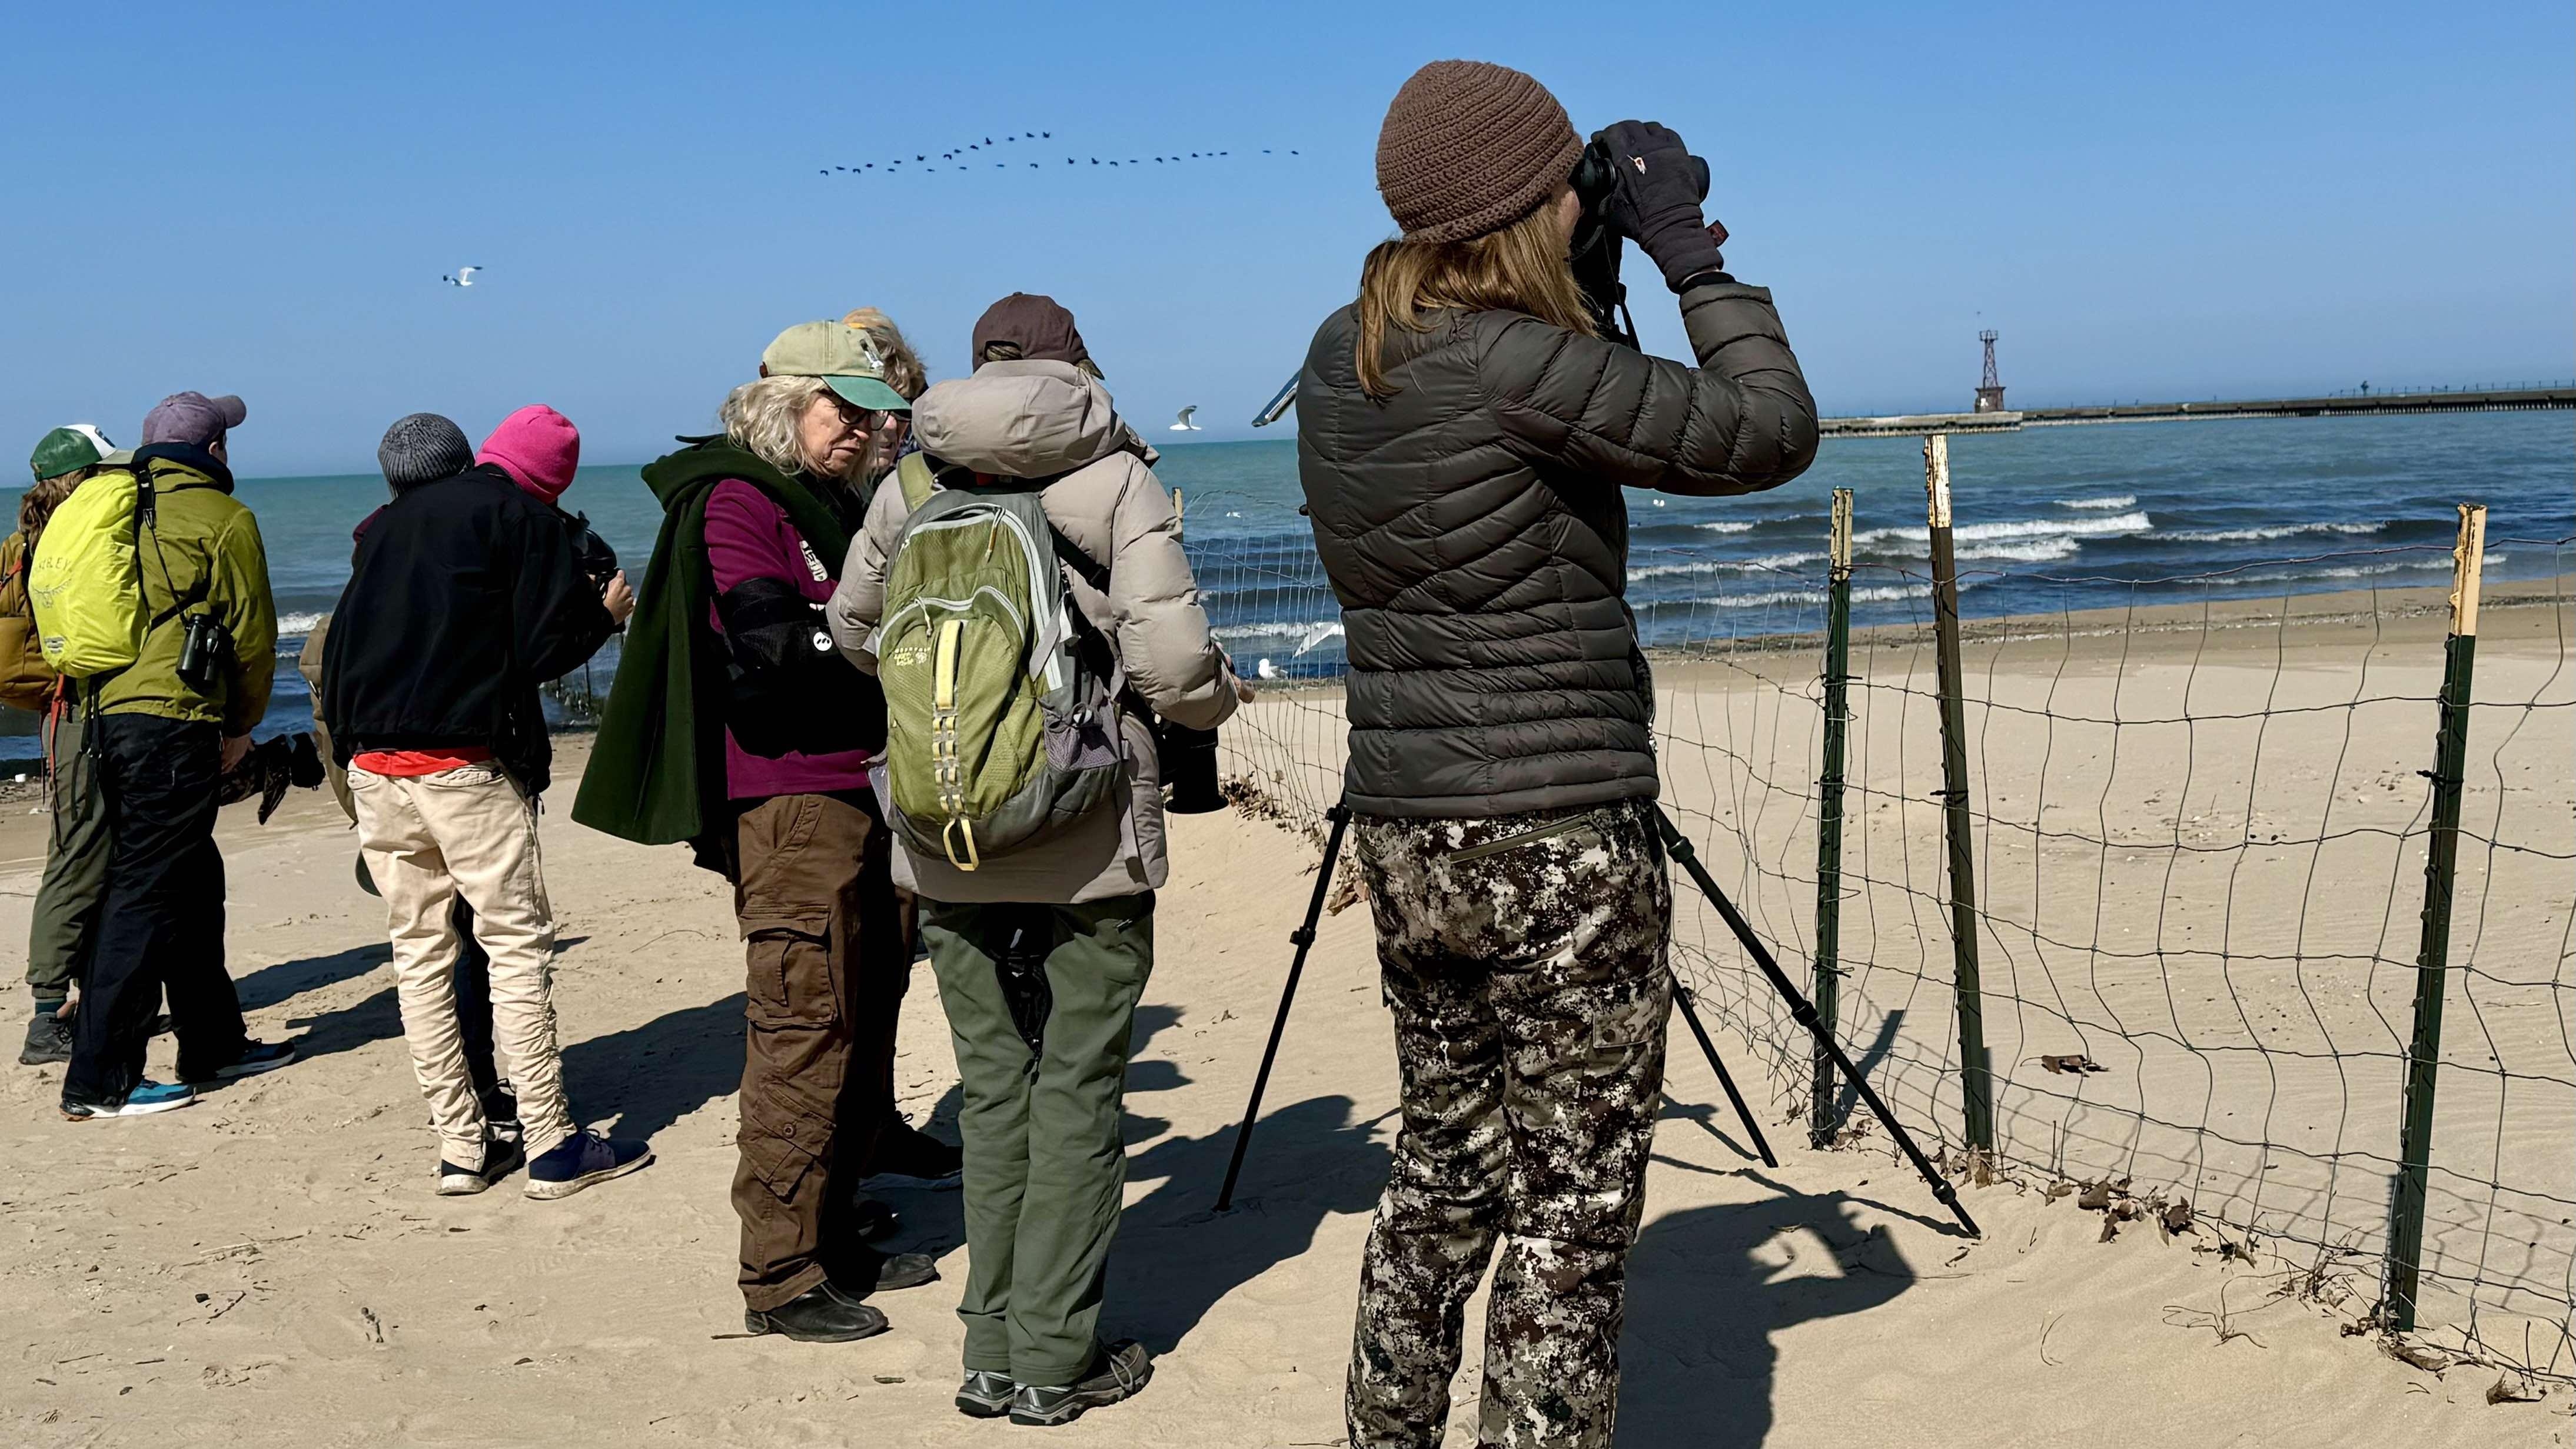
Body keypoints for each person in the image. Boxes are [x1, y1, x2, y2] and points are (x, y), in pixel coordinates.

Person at [1295, 62, 1818, 1449]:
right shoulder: (1517, 361)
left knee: (1440, 1169)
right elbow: (1768, 430)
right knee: (1570, 1210)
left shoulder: (1345, 351)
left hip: (1408, 826)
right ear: (1539, 203)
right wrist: (1684, 248)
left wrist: (1582, 260)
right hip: (1556, 835)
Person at [827, 298, 1246, 1427]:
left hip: (946, 832)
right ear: (1075, 365)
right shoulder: (1112, 475)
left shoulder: (911, 482)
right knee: (1078, 1084)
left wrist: (963, 716)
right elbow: (1175, 665)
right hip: (1087, 834)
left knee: (992, 1084)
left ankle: (988, 1349)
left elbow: (855, 630)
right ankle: (1055, 1358)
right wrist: (1209, 704)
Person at [574, 320, 943, 1345]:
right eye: (843, 409)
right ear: (784, 402)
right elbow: (772, 640)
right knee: (801, 1026)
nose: (863, 428)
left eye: (874, 413)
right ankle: (779, 1273)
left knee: (862, 1019)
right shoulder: (736, 498)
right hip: (791, 803)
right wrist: (891, 640)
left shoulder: (829, 497)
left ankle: (833, 1232)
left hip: (862, 784)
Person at [320, 413, 646, 1197]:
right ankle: (551, 1142)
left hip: (374, 760)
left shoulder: (384, 525)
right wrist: (604, 617)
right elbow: (539, 650)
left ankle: (462, 1145)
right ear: (552, 481)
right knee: (516, 946)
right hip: (463, 762)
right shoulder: (519, 517)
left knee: (420, 953)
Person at [59, 393, 300, 1119]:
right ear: (215, 451)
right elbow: (253, 636)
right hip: (174, 723)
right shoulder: (224, 517)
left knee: (191, 880)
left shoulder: (112, 505)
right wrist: (242, 726)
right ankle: (99, 1079)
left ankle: (213, 1043)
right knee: (144, 892)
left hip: (108, 716)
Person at [6, 426, 117, 1065]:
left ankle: (90, 997)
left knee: (91, 852)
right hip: (77, 710)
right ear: (83, 477)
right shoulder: (71, 538)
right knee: (76, 857)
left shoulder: (24, 539)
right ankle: (48, 1014)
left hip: (60, 713)